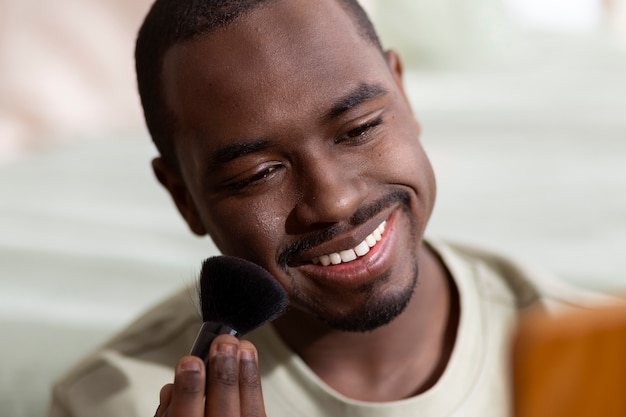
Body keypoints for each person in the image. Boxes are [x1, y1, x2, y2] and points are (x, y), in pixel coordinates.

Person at [47, 1, 606, 416]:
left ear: (405, 97)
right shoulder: (113, 399)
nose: (334, 199)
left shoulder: (590, 361)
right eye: (258, 174)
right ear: (183, 198)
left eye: (359, 129)